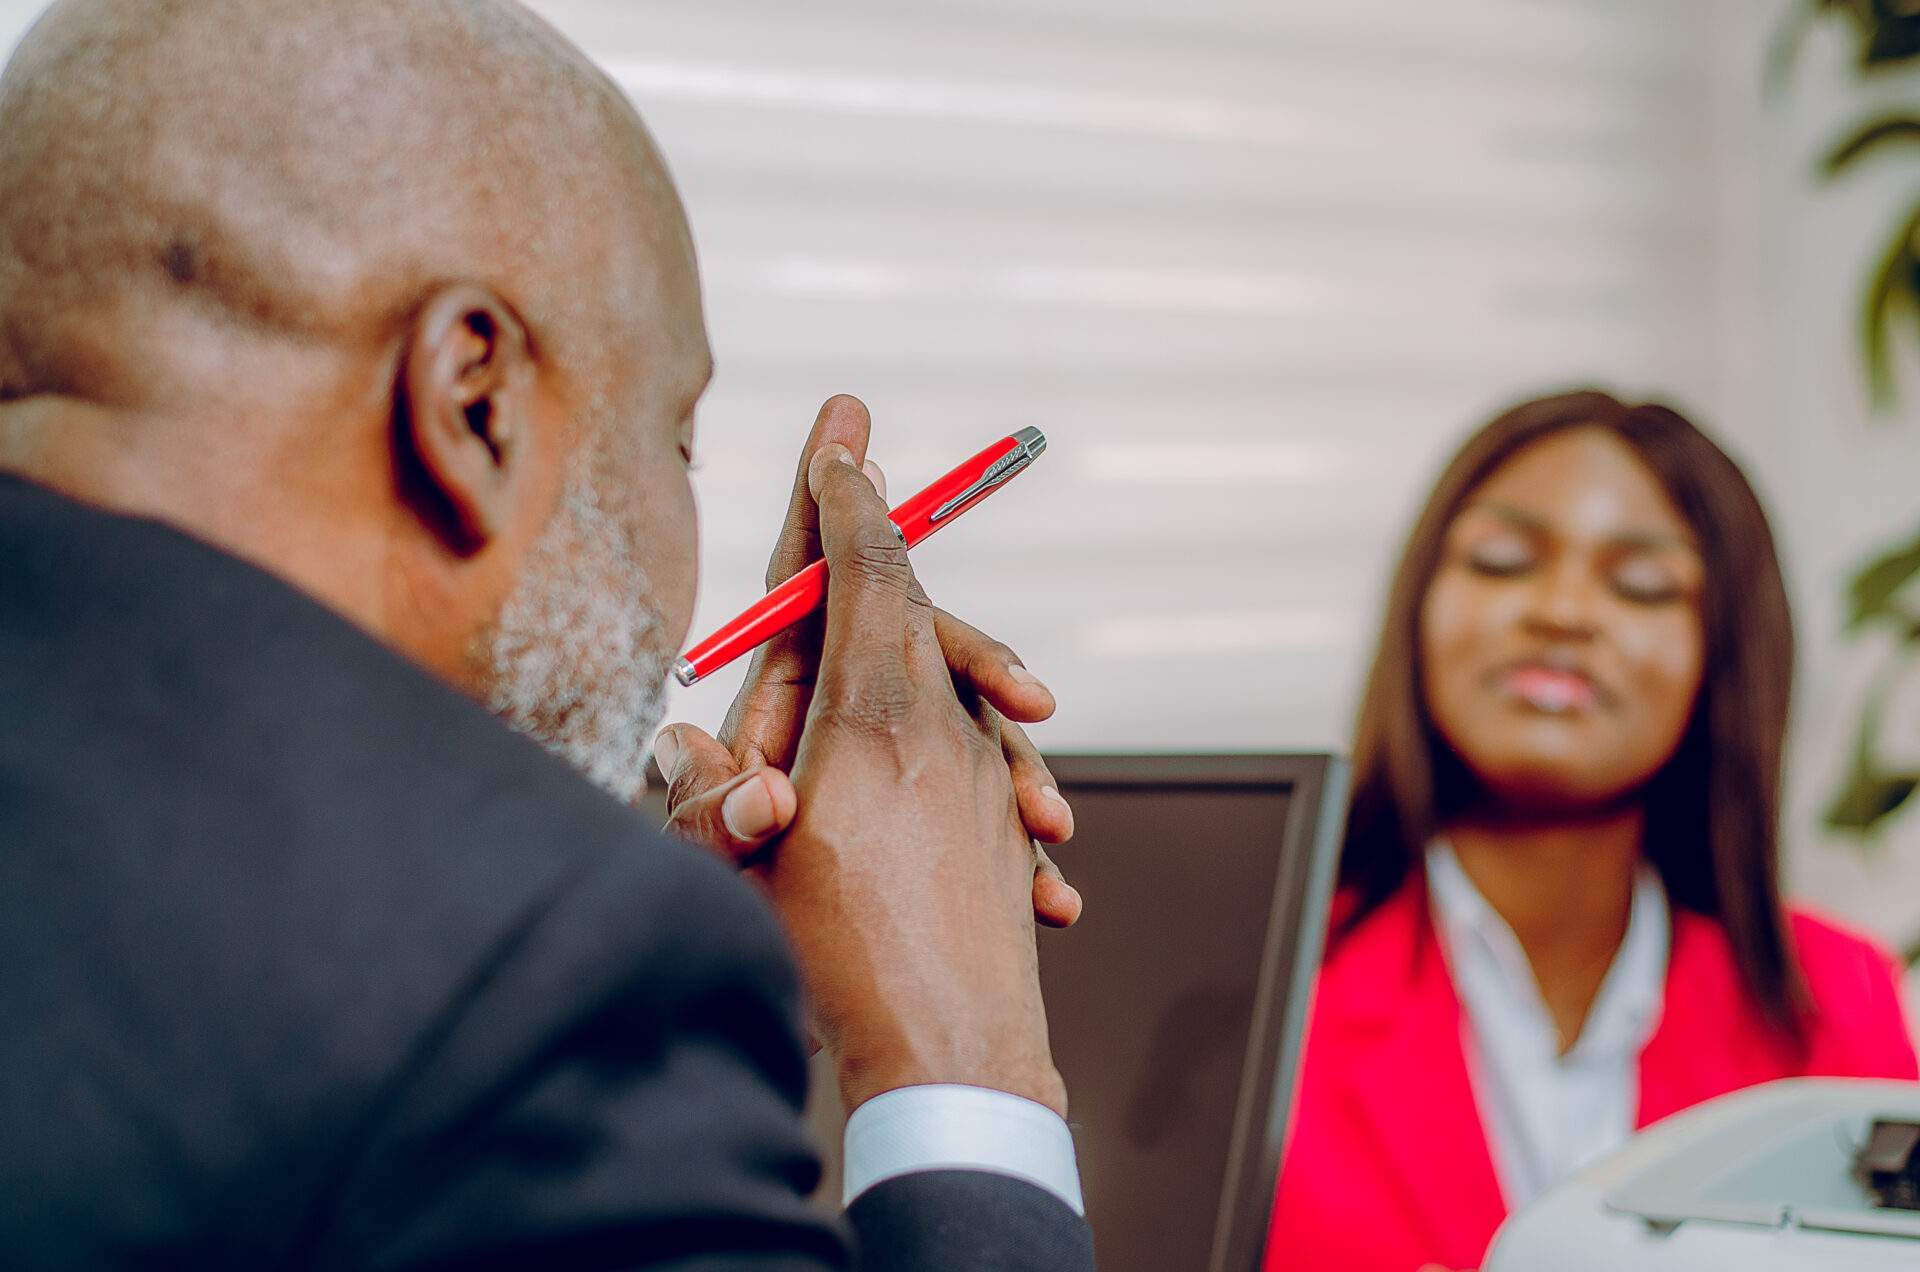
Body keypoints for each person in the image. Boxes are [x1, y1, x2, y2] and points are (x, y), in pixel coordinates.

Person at [0, 0, 1095, 1266]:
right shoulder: (514, 976)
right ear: (474, 407)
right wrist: (959, 1066)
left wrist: (667, 1060)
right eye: (674, 440)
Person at [1264, 391, 1919, 1272]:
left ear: (1721, 651)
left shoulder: (1837, 1000)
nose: (1563, 612)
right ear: (1420, 611)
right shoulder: (1258, 990)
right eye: (1502, 562)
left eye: (1641, 584)